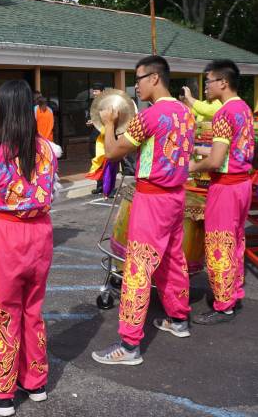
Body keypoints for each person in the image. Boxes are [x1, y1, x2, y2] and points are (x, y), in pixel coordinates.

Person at [91, 56, 195, 365]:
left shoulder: (150, 116)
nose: (135, 85)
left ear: (154, 78)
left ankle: (129, 345)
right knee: (173, 259)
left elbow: (111, 151)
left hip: (152, 199)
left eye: (138, 78)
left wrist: (109, 123)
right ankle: (178, 320)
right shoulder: (185, 113)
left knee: (138, 267)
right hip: (177, 196)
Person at [0, 80, 58, 416]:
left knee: (0, 311)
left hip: (5, 235)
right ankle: (35, 382)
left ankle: (0, 393)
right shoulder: (47, 149)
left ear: (1, 111)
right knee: (32, 308)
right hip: (40, 234)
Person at [188, 60, 254, 325]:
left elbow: (215, 162)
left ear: (223, 83)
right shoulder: (244, 108)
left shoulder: (224, 113)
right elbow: (232, 151)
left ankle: (223, 303)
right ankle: (234, 292)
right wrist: (205, 152)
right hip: (242, 183)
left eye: (209, 81)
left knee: (219, 244)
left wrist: (192, 166)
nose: (206, 87)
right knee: (235, 240)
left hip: (226, 186)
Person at [87, 83, 106, 194]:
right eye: (93, 91)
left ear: (102, 91)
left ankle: (107, 187)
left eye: (96, 91)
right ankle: (100, 186)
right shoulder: (94, 104)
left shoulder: (107, 103)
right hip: (95, 135)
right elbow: (94, 118)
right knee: (97, 162)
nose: (94, 93)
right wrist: (91, 122)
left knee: (105, 163)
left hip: (104, 136)